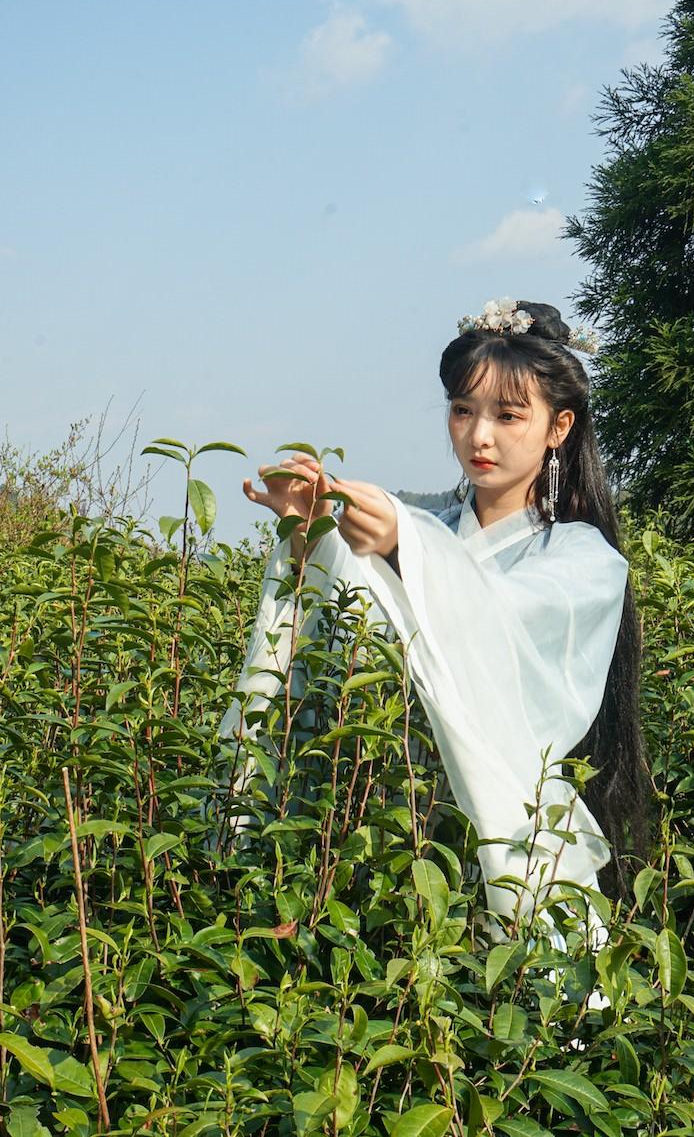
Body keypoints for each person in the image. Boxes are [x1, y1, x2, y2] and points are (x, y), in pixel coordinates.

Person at [216, 298, 654, 960]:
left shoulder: (582, 561)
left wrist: (400, 550)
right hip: (387, 841)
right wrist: (312, 535)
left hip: (503, 842)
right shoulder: (426, 528)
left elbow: (496, 621)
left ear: (558, 425)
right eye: (462, 410)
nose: (480, 436)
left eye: (509, 415)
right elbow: (348, 634)